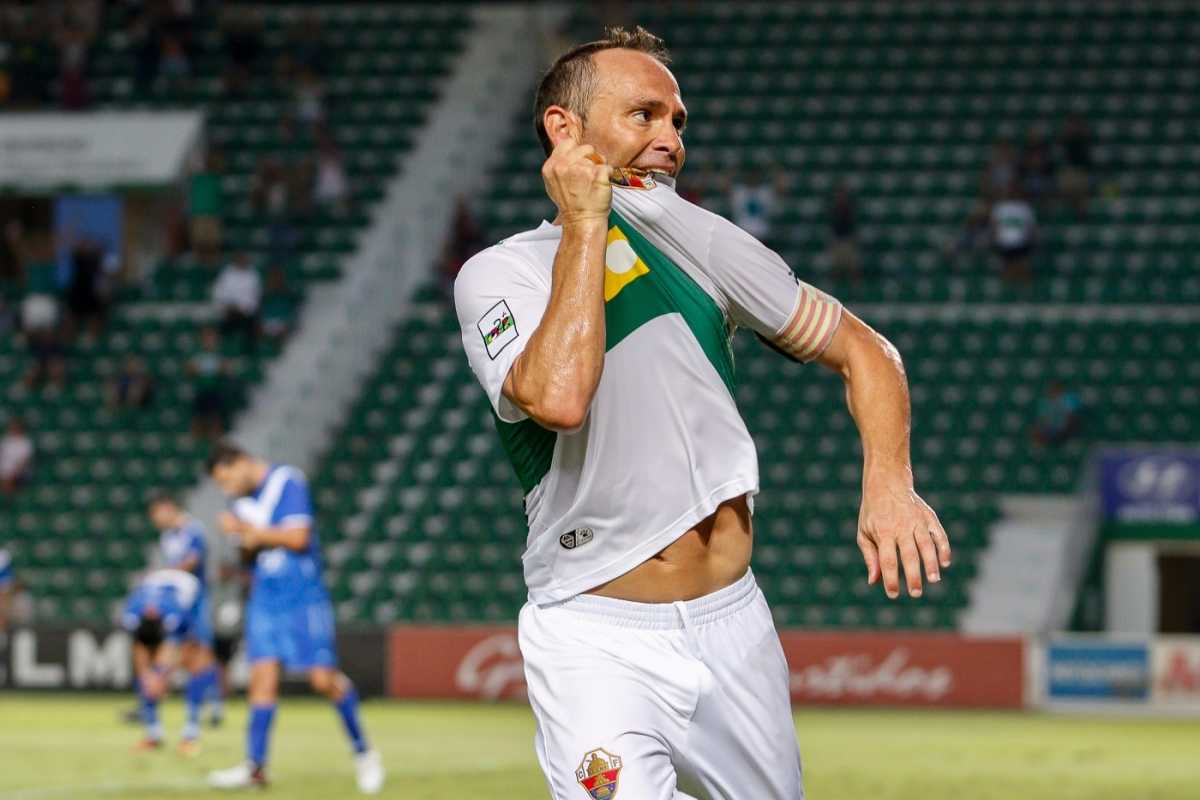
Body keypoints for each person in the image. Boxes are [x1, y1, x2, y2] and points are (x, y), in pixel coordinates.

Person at [453, 27, 951, 800]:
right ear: (564, 129)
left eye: (678, 122)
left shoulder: (704, 242)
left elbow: (867, 352)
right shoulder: (500, 273)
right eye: (644, 115)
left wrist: (890, 481)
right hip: (596, 636)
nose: (670, 139)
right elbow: (557, 398)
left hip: (734, 625)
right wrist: (587, 225)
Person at [204, 442, 383, 793]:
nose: (226, 489)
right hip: (265, 598)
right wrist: (241, 542)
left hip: (303, 598)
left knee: (321, 680)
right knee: (262, 677)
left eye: (226, 480)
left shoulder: (287, 482)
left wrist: (249, 533)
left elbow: (299, 538)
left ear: (240, 463)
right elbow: (248, 555)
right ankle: (255, 767)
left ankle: (364, 752)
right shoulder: (238, 503)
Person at [147, 492, 220, 744]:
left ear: (167, 508)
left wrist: (165, 573)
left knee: (199, 657)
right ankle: (155, 726)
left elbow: (192, 561)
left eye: (156, 514)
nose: (155, 520)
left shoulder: (193, 531)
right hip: (176, 603)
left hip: (196, 602)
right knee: (168, 656)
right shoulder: (167, 537)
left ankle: (197, 719)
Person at [120, 568, 217, 754]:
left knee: (198, 661)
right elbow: (138, 648)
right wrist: (147, 677)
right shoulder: (131, 612)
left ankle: (191, 733)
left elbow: (173, 647)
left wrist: (160, 674)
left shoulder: (175, 614)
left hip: (193, 598)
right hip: (162, 584)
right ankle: (153, 734)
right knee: (147, 676)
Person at [188, 327, 232, 439]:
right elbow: (190, 370)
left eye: (211, 338)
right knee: (198, 417)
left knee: (215, 417)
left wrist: (219, 369)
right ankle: (196, 440)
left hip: (215, 389)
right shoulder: (197, 354)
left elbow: (226, 370)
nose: (209, 341)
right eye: (207, 338)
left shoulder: (220, 353)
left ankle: (216, 438)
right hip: (201, 389)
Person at [212, 253, 261, 353]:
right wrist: (228, 306)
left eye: (244, 260)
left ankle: (247, 354)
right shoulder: (227, 274)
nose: (242, 262)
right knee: (220, 328)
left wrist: (242, 308)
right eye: (240, 260)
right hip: (229, 311)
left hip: (246, 313)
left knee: (250, 329)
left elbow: (255, 298)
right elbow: (218, 293)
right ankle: (221, 351)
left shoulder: (253, 275)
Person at [990, 184, 1037, 284]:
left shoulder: (1024, 207)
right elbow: (994, 225)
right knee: (1007, 268)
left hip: (1021, 242)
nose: (1012, 193)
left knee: (1022, 267)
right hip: (1004, 241)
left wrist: (1030, 240)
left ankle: (1025, 291)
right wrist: (995, 239)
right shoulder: (1000, 207)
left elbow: (1031, 226)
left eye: (1015, 190)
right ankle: (1007, 290)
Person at [1058, 114, 1093, 218]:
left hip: (1081, 170)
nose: (1073, 128)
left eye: (1075, 125)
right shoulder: (1065, 140)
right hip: (1069, 170)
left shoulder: (1084, 139)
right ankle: (1073, 209)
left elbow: (1087, 155)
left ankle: (1080, 211)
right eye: (1071, 125)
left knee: (1081, 188)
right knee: (1068, 187)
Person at [1031, 381, 1083, 447]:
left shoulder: (1069, 398)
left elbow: (1073, 415)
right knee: (1035, 431)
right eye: (1050, 390)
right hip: (1051, 428)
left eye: (1054, 389)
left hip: (1067, 428)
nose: (1052, 392)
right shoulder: (1044, 402)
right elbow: (1042, 418)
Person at [828, 181, 861, 284]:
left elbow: (853, 225)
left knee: (852, 267)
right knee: (836, 267)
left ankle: (855, 289)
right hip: (837, 240)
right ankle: (835, 287)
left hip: (847, 240)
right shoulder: (834, 208)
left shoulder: (849, 208)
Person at [259, 266, 298, 342]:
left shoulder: (288, 293)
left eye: (277, 278)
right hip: (267, 321)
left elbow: (294, 307)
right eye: (273, 278)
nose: (275, 280)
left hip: (282, 321)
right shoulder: (264, 295)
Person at [0, 418, 34, 496]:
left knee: (9, 479)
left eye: (15, 427)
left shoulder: (25, 442)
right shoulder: (6, 439)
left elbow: (25, 460)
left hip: (19, 472)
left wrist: (13, 473)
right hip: (4, 469)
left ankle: (10, 497)